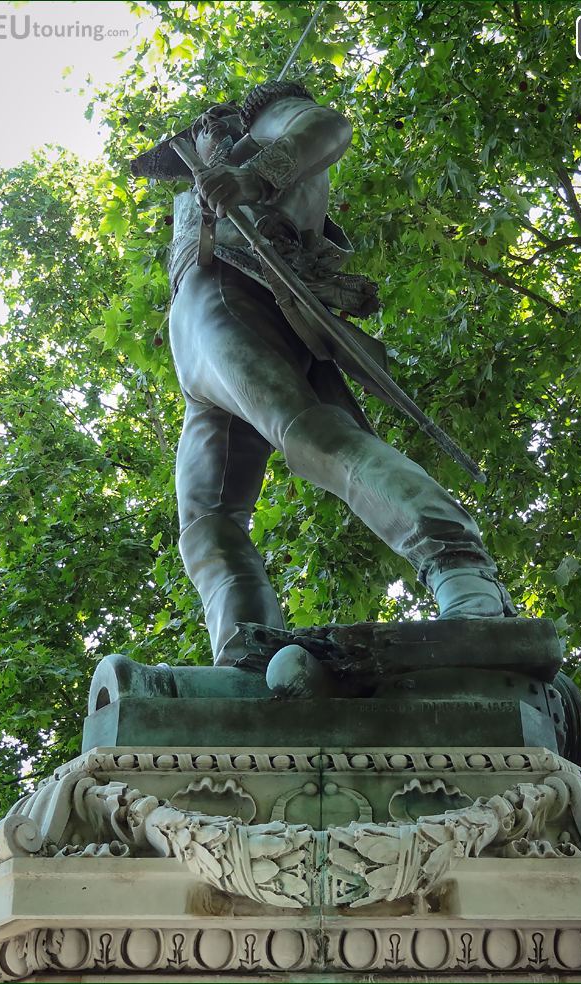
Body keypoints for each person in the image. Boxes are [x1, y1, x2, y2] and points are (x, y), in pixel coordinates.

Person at [163, 81, 515, 667]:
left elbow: (328, 128)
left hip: (230, 292)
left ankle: (459, 566)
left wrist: (251, 176)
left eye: (214, 120)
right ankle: (246, 646)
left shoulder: (265, 122)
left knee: (308, 433)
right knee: (206, 519)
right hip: (197, 336)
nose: (207, 127)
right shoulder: (216, 158)